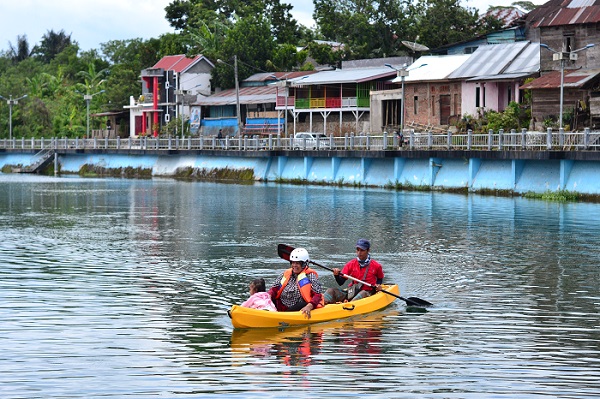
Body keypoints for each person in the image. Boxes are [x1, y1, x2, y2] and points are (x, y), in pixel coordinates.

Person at [323, 239, 385, 304]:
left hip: (368, 292)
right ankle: (323, 304)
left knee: (363, 293)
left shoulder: (376, 266)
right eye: (357, 250)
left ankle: (347, 305)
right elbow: (340, 282)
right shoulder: (351, 264)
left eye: (362, 250)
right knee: (330, 291)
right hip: (353, 291)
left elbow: (380, 279)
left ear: (368, 250)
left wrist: (378, 286)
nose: (359, 252)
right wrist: (336, 275)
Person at [268, 248, 324, 319]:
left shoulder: (310, 276)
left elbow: (317, 295)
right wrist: (269, 296)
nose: (294, 265)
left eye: (297, 263)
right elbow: (274, 289)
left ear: (304, 264)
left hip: (297, 307)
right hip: (281, 305)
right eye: (293, 263)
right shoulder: (285, 274)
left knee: (302, 304)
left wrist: (309, 306)